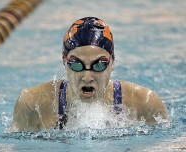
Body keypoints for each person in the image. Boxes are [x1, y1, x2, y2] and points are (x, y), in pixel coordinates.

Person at [9, 17, 167, 132]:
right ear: (65, 63)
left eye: (99, 65)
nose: (87, 76)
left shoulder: (145, 104)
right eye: (76, 64)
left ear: (112, 64)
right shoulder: (33, 105)